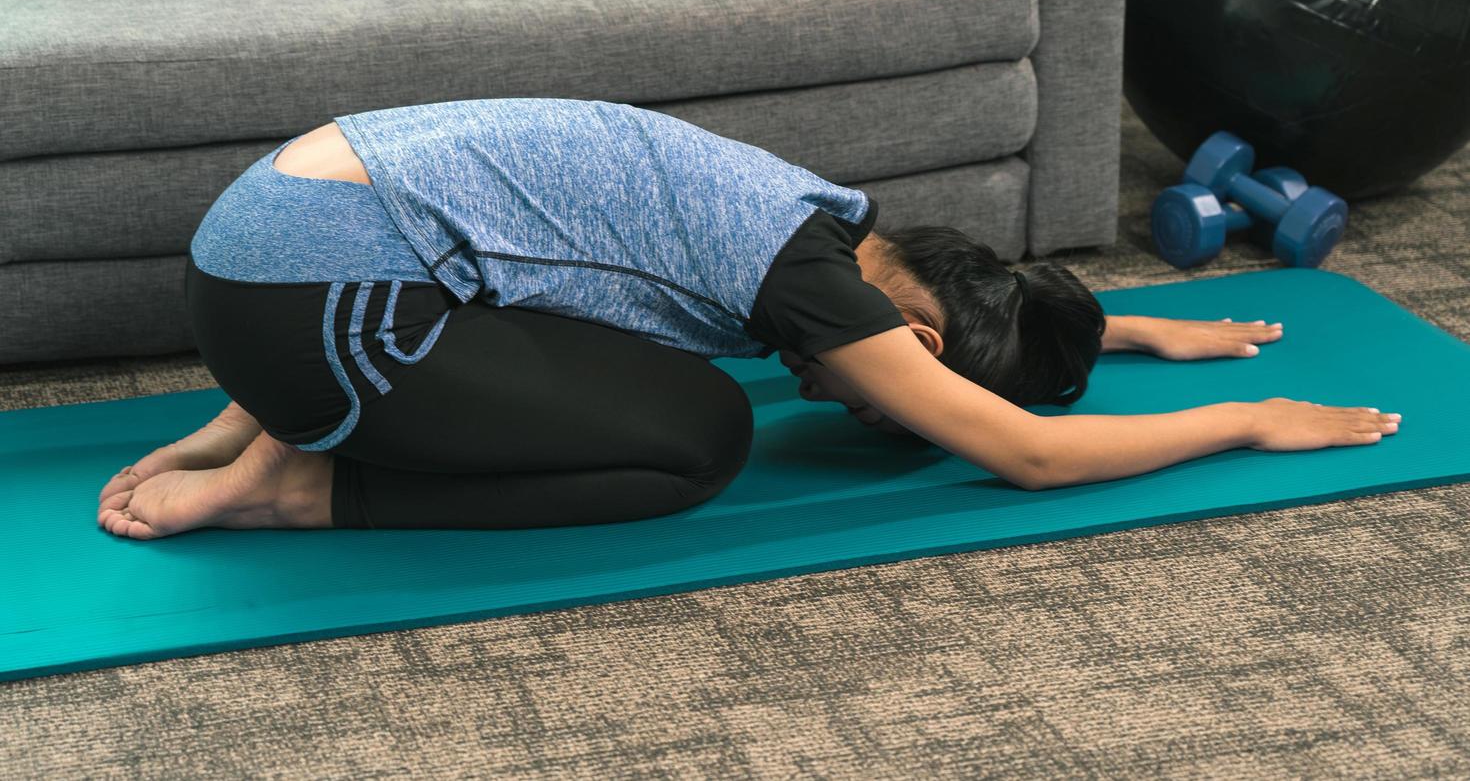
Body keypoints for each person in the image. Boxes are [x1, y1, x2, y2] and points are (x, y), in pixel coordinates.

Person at [96, 98, 1401, 540]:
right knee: (697, 443)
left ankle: (289, 419)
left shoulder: (806, 218)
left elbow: (503, 242)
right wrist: (1244, 417)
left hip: (290, 259)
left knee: (659, 375)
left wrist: (1135, 330)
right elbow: (1030, 452)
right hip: (317, 302)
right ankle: (302, 488)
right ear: (921, 343)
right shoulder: (807, 282)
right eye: (886, 391)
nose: (846, 395)